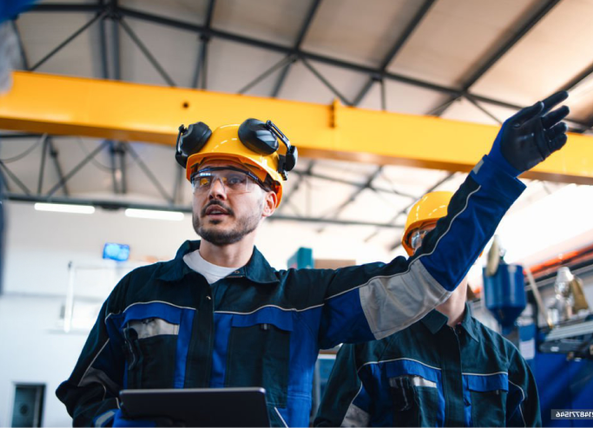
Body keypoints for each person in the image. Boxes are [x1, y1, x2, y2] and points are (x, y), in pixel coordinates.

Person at [57, 92, 573, 428]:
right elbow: (86, 392)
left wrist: (499, 173)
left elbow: (424, 278)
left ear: (270, 201)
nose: (215, 190)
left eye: (237, 179)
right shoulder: (137, 293)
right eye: (203, 178)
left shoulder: (304, 301)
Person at [310, 192, 539, 428]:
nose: (442, 252)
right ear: (412, 254)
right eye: (427, 238)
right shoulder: (369, 346)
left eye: (455, 238)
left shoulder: (506, 363)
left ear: (475, 250)